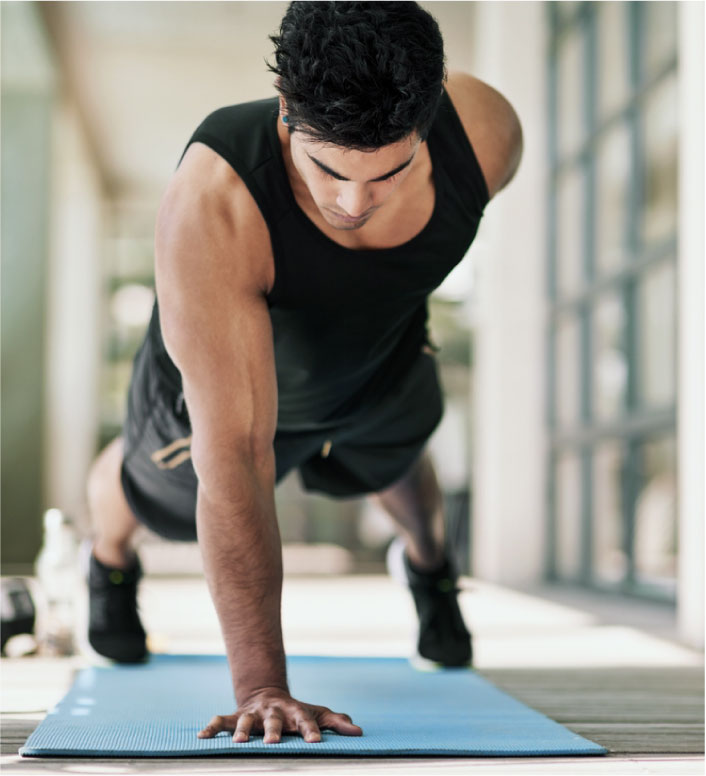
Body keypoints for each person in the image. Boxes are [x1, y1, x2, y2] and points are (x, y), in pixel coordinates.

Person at [85, 1, 522, 745]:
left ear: (430, 118)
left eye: (389, 173)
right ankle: (108, 561)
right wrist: (262, 685)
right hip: (223, 379)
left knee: (400, 449)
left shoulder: (484, 137)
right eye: (327, 170)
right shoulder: (215, 202)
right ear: (287, 109)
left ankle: (431, 570)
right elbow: (236, 455)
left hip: (376, 355)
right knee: (150, 489)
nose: (354, 203)